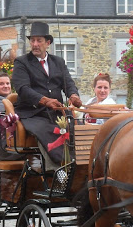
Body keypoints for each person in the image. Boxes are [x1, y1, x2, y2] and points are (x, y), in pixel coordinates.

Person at [12, 21, 82, 168]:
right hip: (33, 114)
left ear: (48, 42)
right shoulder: (22, 62)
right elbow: (23, 89)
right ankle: (55, 171)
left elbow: (68, 83)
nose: (35, 44)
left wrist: (74, 96)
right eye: (32, 40)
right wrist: (44, 100)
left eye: (39, 40)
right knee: (49, 131)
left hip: (56, 113)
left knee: (79, 129)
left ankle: (80, 168)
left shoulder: (58, 62)